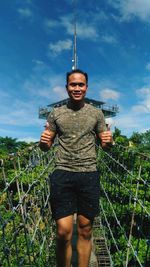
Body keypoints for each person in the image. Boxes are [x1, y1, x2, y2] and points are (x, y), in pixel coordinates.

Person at [39, 69, 113, 267]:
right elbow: (46, 147)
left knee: (85, 229)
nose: (77, 88)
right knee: (63, 232)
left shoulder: (96, 113)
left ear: (86, 88)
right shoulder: (56, 113)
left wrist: (109, 141)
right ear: (67, 88)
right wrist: (44, 142)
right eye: (73, 84)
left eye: (81, 84)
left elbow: (105, 146)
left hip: (88, 173)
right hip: (62, 172)